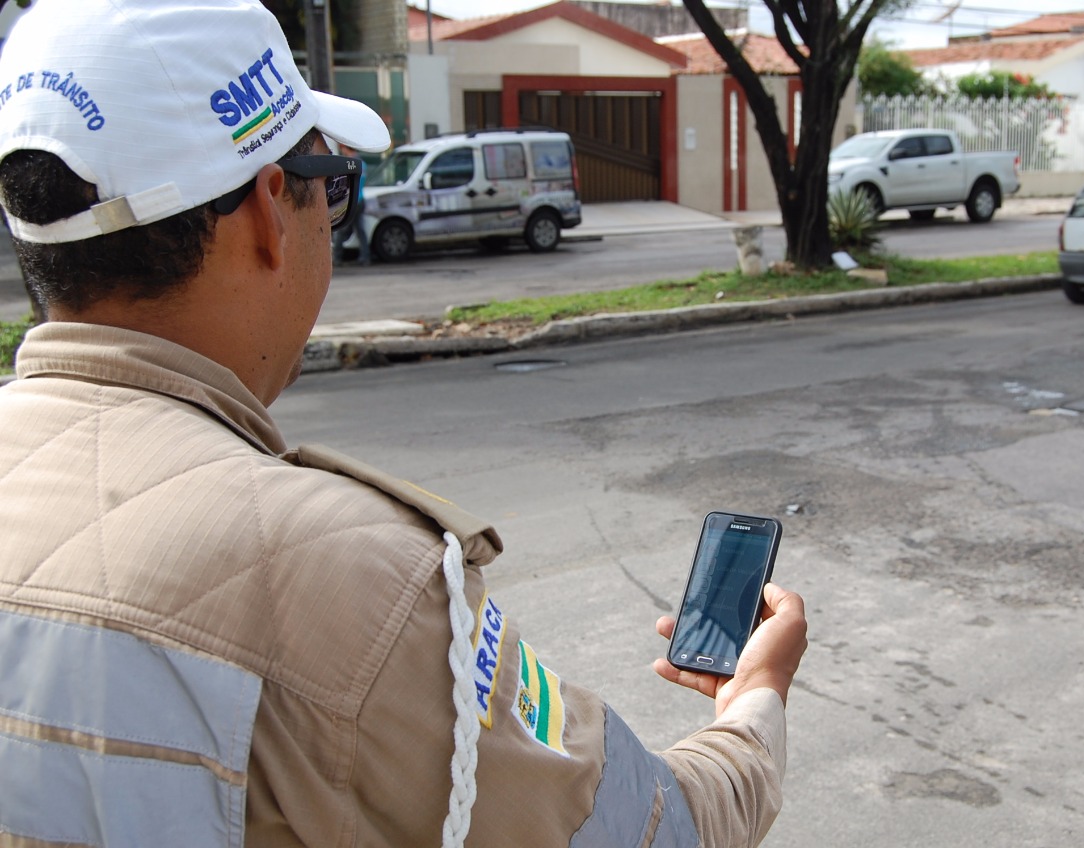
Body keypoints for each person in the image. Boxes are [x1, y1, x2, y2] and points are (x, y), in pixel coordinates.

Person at [0, 1, 808, 846]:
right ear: (272, 210)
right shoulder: (348, 580)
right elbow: (656, 833)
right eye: (332, 186)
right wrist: (755, 700)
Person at [332, 142, 371, 266]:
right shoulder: (362, 164)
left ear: (344, 148)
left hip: (350, 201)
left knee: (340, 229)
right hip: (360, 200)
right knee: (360, 230)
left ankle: (336, 259)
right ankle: (365, 257)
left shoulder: (349, 164)